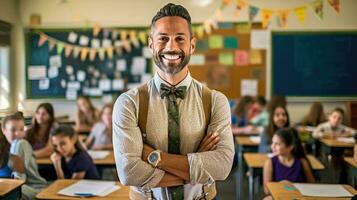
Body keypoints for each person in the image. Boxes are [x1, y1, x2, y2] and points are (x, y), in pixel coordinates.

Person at [113, 3, 234, 199]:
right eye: (163, 39)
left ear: (192, 45)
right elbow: (129, 173)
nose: (171, 46)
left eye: (180, 38)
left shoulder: (216, 101)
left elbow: (221, 166)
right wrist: (196, 166)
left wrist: (156, 158)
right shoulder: (128, 103)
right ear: (151, 44)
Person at [2, 113, 47, 200]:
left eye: (21, 129)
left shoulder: (20, 143)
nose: (18, 133)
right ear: (3, 130)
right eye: (13, 130)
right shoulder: (6, 147)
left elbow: (19, 179)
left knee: (9, 192)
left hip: (35, 188)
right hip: (22, 186)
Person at [263, 128, 315, 199]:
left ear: (290, 147)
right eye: (272, 142)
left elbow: (312, 185)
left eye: (277, 144)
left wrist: (293, 186)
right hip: (279, 197)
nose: (272, 146)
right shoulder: (270, 162)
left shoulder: (302, 162)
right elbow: (266, 190)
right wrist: (280, 185)